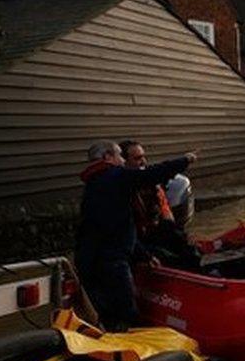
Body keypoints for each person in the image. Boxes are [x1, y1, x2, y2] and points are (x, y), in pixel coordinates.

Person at [75, 140, 196, 331]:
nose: (122, 160)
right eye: (120, 156)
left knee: (106, 314)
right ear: (107, 157)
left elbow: (119, 229)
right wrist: (185, 160)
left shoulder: (94, 184)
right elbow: (152, 174)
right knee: (126, 315)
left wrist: (144, 255)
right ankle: (129, 351)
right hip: (111, 262)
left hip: (92, 260)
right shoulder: (114, 177)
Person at [119, 140, 200, 268]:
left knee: (188, 249)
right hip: (134, 244)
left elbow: (166, 214)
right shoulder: (120, 189)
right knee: (168, 258)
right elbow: (123, 233)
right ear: (124, 161)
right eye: (137, 158)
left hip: (151, 235)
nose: (143, 162)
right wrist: (145, 256)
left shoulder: (152, 185)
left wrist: (180, 236)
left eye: (144, 157)